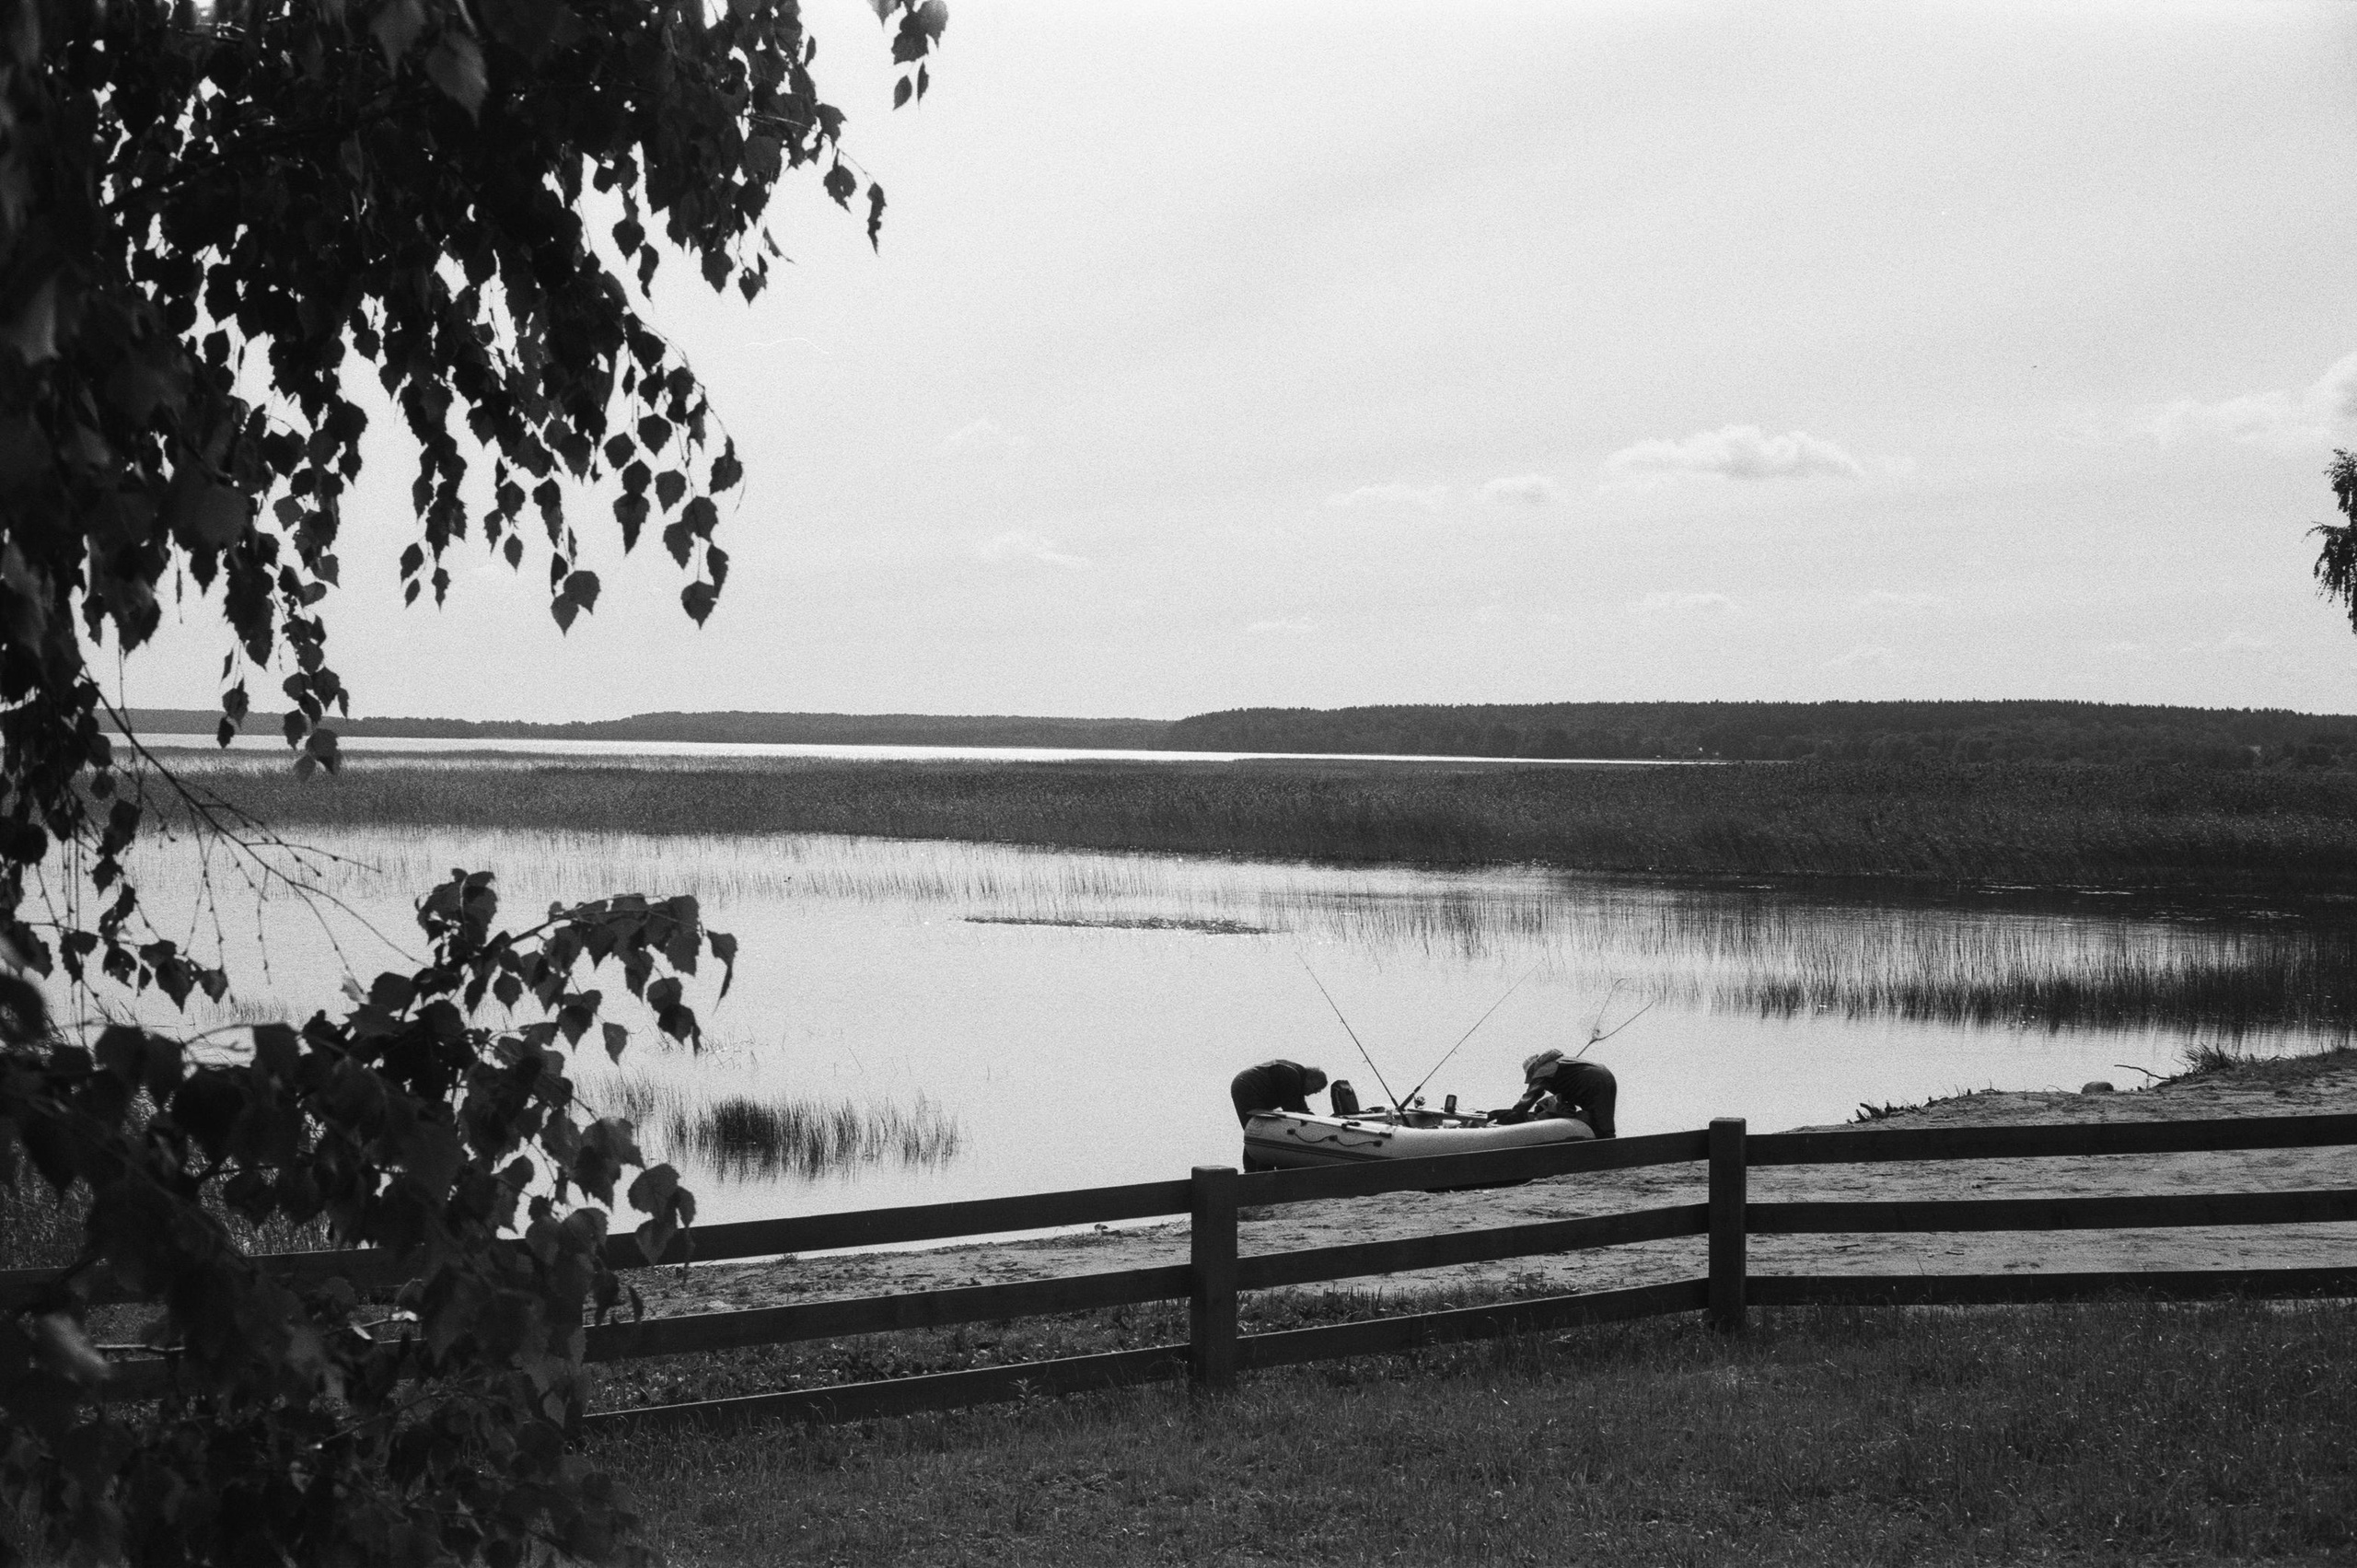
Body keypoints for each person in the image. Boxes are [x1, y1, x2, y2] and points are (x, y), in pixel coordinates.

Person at [1508, 1048, 1617, 1139]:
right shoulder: (1561, 1064)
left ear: (1533, 1069)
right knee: (1603, 1119)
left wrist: (1514, 1114)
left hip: (1592, 1081)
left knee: (1598, 1125)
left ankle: (1605, 1147)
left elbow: (1531, 1094)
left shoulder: (1544, 1069)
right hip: (1606, 1076)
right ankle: (1608, 1141)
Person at [1229, 1060, 1329, 1127]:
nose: (1316, 1092)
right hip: (1248, 1086)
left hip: (1244, 1083)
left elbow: (1301, 1109)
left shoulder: (1296, 1078)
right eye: (1316, 1088)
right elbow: (1291, 1111)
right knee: (1258, 1127)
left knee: (1258, 1128)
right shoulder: (1292, 1077)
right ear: (1310, 1078)